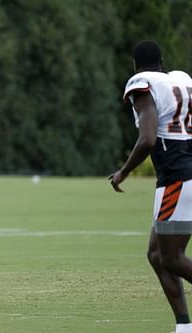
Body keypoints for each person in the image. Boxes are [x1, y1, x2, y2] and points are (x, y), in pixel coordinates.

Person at [109, 40, 192, 333]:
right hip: (180, 173)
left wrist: (123, 171)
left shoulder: (141, 83)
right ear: (162, 61)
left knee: (171, 256)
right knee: (157, 255)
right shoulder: (181, 80)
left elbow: (147, 138)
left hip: (177, 176)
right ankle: (184, 325)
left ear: (135, 64)